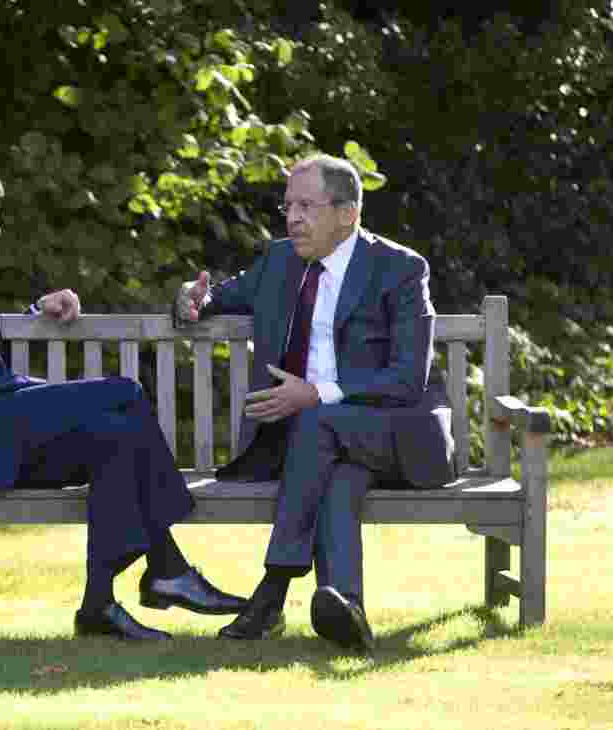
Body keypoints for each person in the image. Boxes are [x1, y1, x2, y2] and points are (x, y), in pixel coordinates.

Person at [0, 160, 247, 640]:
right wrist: (37, 393)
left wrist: (33, 314)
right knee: (124, 394)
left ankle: (100, 606)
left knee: (114, 436)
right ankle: (168, 570)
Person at [173, 155, 454, 651]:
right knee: (338, 478)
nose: (292, 217)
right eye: (288, 205)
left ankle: (272, 590)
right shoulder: (279, 261)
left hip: (397, 436)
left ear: (347, 213)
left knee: (319, 422)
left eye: (306, 205)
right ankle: (348, 610)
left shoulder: (401, 270)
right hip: (326, 452)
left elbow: (409, 378)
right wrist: (188, 301)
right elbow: (213, 299)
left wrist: (318, 393)